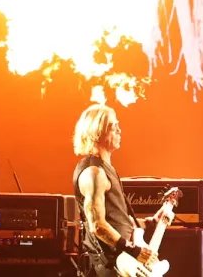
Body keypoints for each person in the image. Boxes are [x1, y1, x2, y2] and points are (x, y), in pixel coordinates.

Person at [71, 103, 166, 277]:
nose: (120, 131)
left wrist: (151, 222)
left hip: (122, 261)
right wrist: (132, 249)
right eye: (114, 127)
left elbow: (118, 221)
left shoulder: (107, 170)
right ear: (98, 131)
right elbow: (98, 226)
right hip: (109, 265)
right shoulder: (94, 173)